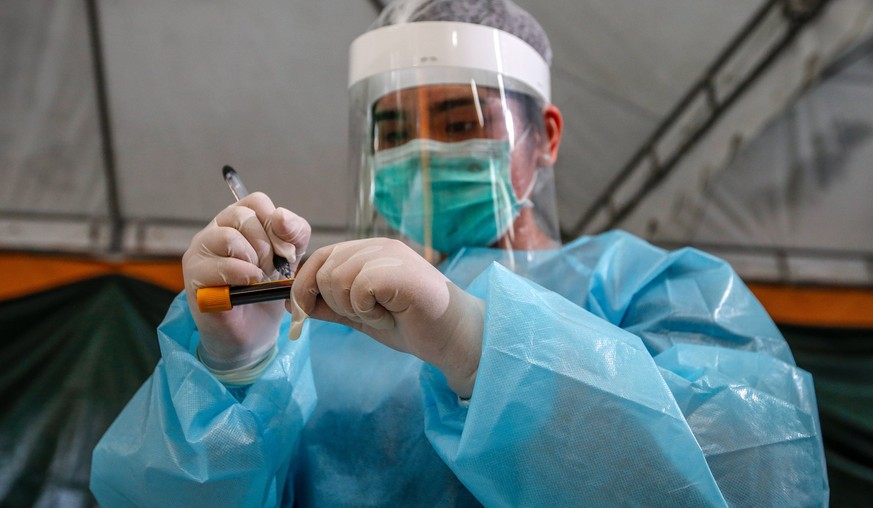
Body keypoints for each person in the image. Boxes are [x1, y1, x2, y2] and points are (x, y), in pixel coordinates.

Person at [90, 0, 829, 506]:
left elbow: (753, 478)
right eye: (391, 133)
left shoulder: (648, 288)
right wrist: (234, 372)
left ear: (545, 136)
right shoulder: (316, 327)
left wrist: (483, 349)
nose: (418, 154)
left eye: (457, 121)